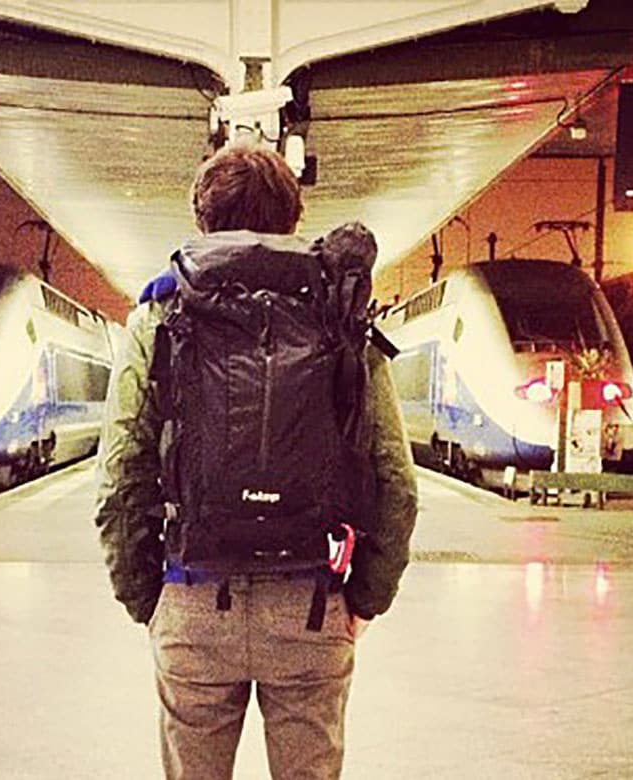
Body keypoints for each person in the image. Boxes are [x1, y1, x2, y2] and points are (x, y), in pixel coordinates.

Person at [95, 139, 418, 780]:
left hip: (192, 598)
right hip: (311, 604)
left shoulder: (160, 314)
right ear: (294, 218)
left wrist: (146, 598)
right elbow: (394, 481)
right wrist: (364, 600)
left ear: (202, 219)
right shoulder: (339, 313)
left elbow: (122, 475)